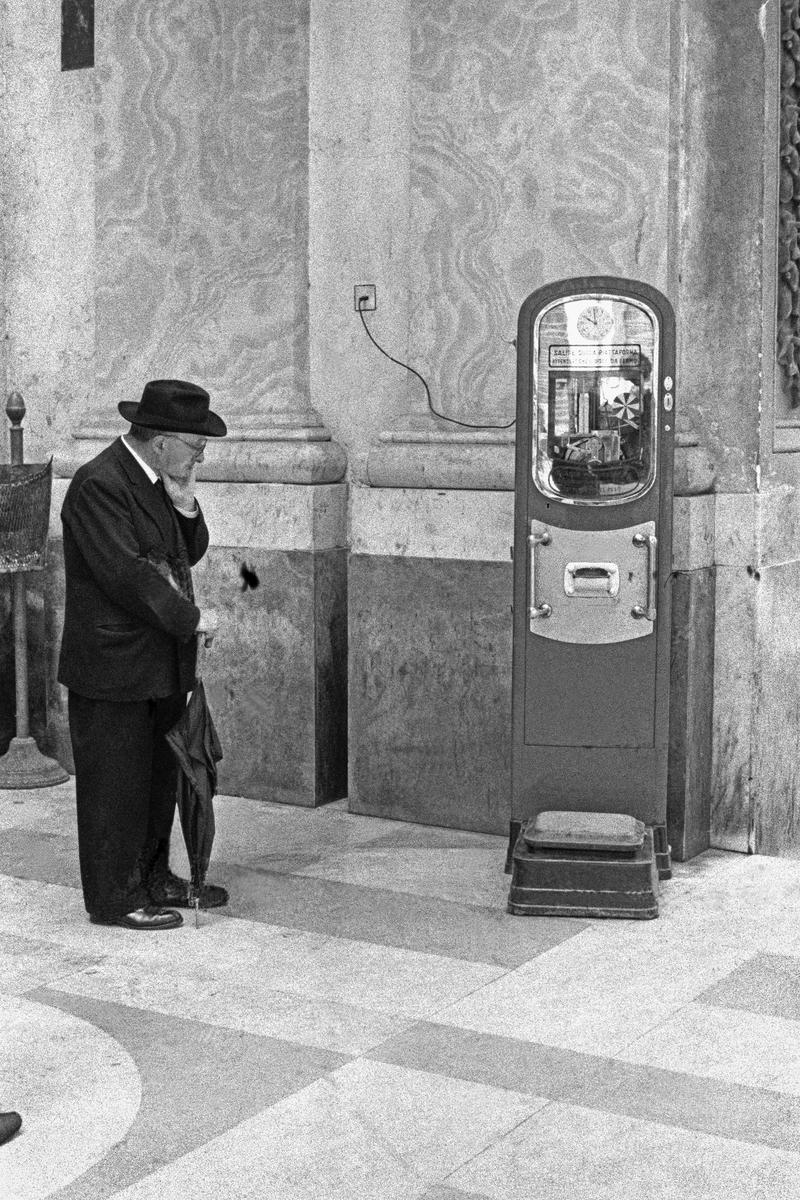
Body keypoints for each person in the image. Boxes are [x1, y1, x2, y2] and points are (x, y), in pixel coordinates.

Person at [58, 379, 228, 930]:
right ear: (159, 441)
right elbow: (127, 575)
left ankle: (154, 878)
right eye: (194, 443)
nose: (201, 452)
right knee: (115, 787)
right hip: (112, 669)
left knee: (158, 780)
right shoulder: (98, 484)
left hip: (157, 665)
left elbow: (189, 552)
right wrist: (192, 619)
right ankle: (113, 898)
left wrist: (184, 503)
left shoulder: (158, 479)